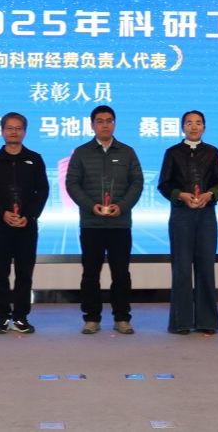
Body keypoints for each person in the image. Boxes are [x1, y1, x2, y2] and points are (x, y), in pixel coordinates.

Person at [65, 105, 144, 335]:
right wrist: (92, 206)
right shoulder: (81, 152)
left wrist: (122, 206)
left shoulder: (127, 152)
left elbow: (137, 183)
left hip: (120, 224)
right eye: (100, 121)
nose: (105, 125)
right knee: (90, 273)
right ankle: (91, 318)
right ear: (92, 125)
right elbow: (72, 183)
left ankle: (122, 318)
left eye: (109, 120)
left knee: (121, 273)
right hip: (92, 224)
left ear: (115, 124)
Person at [0, 112, 50, 334]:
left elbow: (42, 191)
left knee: (24, 274)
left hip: (27, 226)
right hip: (0, 227)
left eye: (18, 128)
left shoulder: (35, 159)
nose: (14, 132)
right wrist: (2, 214)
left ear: (25, 132)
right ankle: (1, 318)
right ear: (2, 131)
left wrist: (30, 215)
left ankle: (20, 317)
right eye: (9, 128)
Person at [157, 110, 218, 335]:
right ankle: (181, 322)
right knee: (182, 268)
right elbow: (164, 184)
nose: (194, 127)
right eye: (189, 123)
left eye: (198, 123)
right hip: (181, 215)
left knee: (206, 266)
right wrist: (181, 195)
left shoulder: (212, 152)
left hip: (206, 215)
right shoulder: (172, 153)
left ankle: (207, 322)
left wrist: (210, 194)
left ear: (204, 127)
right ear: (182, 127)